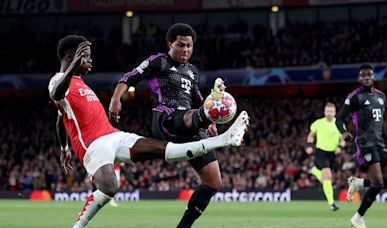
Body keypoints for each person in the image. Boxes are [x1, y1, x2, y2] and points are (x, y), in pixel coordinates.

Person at [49, 34, 249, 228]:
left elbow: (61, 117)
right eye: (85, 56)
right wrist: (77, 65)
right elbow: (57, 93)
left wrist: (64, 148)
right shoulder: (58, 80)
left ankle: (223, 139)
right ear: (70, 57)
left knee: (164, 150)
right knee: (109, 187)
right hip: (94, 144)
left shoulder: (80, 83)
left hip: (114, 135)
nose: (90, 61)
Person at [109, 23, 231, 228]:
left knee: (214, 182)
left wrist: (209, 118)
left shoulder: (192, 72)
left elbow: (198, 100)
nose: (185, 50)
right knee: (190, 115)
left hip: (189, 123)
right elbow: (129, 77)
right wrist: (115, 100)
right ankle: (220, 119)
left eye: (189, 46)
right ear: (170, 44)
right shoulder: (159, 61)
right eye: (181, 45)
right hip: (166, 119)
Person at [335, 64, 387, 228]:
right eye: (363, 75)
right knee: (377, 183)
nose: (366, 78)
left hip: (379, 143)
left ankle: (358, 183)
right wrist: (343, 132)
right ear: (359, 78)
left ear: (373, 77)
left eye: (369, 75)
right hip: (364, 143)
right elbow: (339, 118)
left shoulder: (381, 97)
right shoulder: (354, 97)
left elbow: (380, 124)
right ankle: (357, 218)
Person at [305, 102, 345, 211]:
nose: (329, 113)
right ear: (324, 112)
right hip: (321, 152)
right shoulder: (318, 123)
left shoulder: (339, 124)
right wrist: (309, 146)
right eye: (327, 111)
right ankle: (331, 203)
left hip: (332, 154)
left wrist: (340, 148)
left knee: (326, 179)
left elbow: (342, 140)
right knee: (328, 176)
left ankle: (314, 170)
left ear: (335, 112)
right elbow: (311, 135)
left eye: (331, 111)